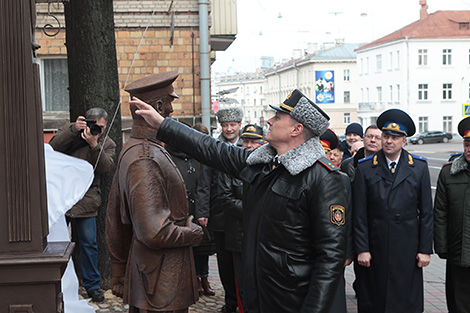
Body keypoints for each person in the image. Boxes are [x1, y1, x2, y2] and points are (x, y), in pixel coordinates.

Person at [132, 88, 349, 313]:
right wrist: (162, 124)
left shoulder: (324, 178)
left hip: (293, 298)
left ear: (297, 129)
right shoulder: (263, 164)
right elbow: (211, 149)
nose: (270, 120)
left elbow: (330, 258)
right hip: (259, 291)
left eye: (278, 117)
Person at [106, 71, 203, 313]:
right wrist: (192, 233)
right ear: (158, 105)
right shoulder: (144, 157)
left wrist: (118, 270)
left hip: (158, 279)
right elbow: (154, 232)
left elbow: (114, 219)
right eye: (169, 102)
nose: (171, 109)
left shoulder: (143, 149)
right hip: (160, 283)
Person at [353, 109, 433, 313]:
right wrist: (362, 248)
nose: (389, 141)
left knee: (405, 298)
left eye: (395, 137)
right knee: (374, 297)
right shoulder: (365, 167)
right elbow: (359, 212)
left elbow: (426, 212)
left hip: (407, 247)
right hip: (375, 244)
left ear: (404, 141)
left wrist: (425, 249)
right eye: (386, 136)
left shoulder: (419, 168)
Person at [49, 107, 116, 303]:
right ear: (85, 122)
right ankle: (56, 282)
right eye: (93, 125)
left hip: (87, 200)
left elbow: (105, 167)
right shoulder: (72, 134)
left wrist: (95, 145)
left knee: (89, 245)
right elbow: (52, 148)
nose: (97, 130)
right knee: (56, 243)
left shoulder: (107, 143)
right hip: (64, 197)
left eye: (101, 127)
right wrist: (72, 130)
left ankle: (92, 285)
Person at [195, 107, 243, 313]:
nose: (229, 129)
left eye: (233, 125)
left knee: (242, 261)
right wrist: (202, 211)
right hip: (220, 213)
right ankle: (231, 301)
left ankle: (244, 300)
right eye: (226, 125)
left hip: (243, 215)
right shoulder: (214, 147)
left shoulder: (248, 144)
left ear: (239, 125)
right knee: (224, 261)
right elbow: (204, 182)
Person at [218, 124, 266, 312]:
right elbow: (225, 198)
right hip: (238, 235)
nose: (249, 145)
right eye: (246, 141)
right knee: (242, 282)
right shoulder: (231, 167)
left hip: (263, 237)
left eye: (254, 142)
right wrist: (254, 209)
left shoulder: (271, 166)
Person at [166, 123, 216, 297]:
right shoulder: (169, 156)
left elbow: (205, 184)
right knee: (186, 247)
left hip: (199, 208)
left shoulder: (198, 155)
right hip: (179, 210)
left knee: (202, 247)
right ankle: (192, 279)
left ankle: (204, 278)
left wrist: (204, 210)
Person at [434, 116, 470, 313]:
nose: (469, 149)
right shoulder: (449, 173)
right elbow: (440, 211)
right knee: (458, 303)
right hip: (458, 252)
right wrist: (441, 246)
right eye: (467, 144)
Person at [320, 129, 353, 313]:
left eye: (327, 153)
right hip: (309, 249)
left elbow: (346, 217)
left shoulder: (342, 179)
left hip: (333, 250)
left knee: (334, 297)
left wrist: (347, 251)